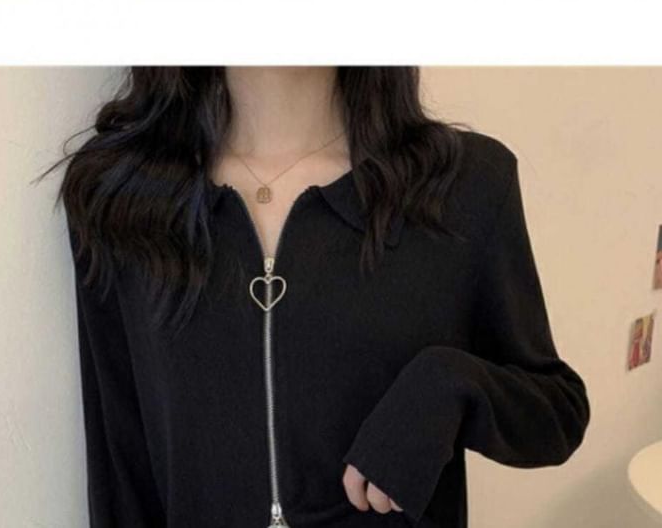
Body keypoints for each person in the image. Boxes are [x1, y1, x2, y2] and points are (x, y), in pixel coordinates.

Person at [41, 66, 590, 528]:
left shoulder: (465, 185)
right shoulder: (120, 197)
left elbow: (557, 413)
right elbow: (121, 466)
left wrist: (449, 387)